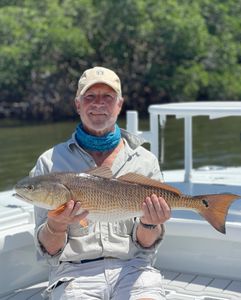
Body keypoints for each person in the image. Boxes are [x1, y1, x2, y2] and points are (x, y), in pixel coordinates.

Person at [31, 66, 171, 300]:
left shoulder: (145, 161)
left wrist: (149, 224)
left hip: (133, 269)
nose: (98, 104)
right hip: (74, 275)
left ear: (119, 104)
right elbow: (51, 251)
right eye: (90, 97)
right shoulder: (49, 163)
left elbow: (147, 246)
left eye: (108, 97)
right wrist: (56, 225)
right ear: (78, 104)